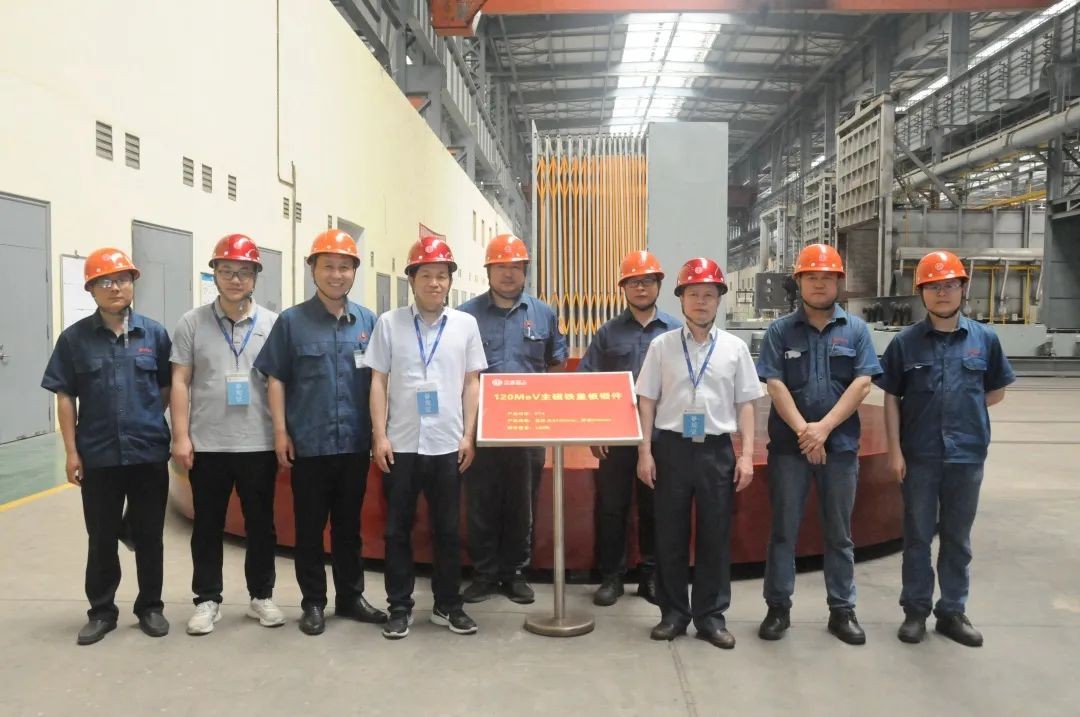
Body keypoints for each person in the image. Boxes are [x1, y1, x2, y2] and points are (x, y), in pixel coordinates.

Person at [875, 250, 1014, 647]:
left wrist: (962, 408)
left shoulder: (985, 340)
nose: (942, 293)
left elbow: (996, 391)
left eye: (949, 285)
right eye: (933, 286)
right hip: (919, 457)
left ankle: (952, 611)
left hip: (966, 456)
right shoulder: (905, 343)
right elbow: (891, 398)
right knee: (917, 537)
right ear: (921, 292)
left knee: (957, 538)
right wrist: (895, 451)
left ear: (962, 289)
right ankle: (916, 610)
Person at [254, 229, 387, 635]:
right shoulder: (292, 322)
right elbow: (276, 378)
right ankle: (313, 602)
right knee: (309, 529)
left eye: (345, 267)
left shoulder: (368, 322)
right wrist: (281, 432)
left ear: (354, 272)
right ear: (313, 269)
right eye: (328, 266)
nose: (336, 274)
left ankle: (350, 597)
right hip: (309, 445)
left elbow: (380, 382)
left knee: (349, 528)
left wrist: (379, 433)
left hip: (353, 445)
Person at [41, 248, 172, 645]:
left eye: (123, 279)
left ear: (133, 284)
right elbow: (65, 396)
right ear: (91, 289)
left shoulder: (155, 334)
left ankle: (150, 607)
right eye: (105, 282)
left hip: (148, 452)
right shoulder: (74, 339)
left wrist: (147, 418)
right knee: (100, 537)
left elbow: (166, 386)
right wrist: (71, 451)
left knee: (149, 535)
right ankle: (101, 611)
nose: (115, 287)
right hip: (98, 454)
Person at [754, 243, 881, 645]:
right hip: (789, 450)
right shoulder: (780, 331)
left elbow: (863, 383)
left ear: (839, 282)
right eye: (812, 277)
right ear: (799, 282)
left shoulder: (856, 330)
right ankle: (778, 608)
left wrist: (823, 429)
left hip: (839, 448)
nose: (820, 284)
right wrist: (805, 433)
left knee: (840, 533)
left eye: (828, 277)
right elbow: (775, 385)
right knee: (783, 531)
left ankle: (842, 610)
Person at [635, 257, 763, 650]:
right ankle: (673, 614)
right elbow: (646, 400)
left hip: (716, 452)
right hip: (671, 449)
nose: (701, 302)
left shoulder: (735, 349)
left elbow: (746, 403)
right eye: (694, 294)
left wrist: (746, 455)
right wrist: (645, 451)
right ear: (681, 299)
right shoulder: (661, 346)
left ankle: (710, 617)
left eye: (709, 294)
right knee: (669, 535)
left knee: (714, 536)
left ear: (719, 299)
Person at [366, 236, 487, 639]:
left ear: (450, 281)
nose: (434, 283)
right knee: (397, 530)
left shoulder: (465, 325)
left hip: (448, 445)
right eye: (426, 275)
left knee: (448, 530)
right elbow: (379, 381)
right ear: (412, 280)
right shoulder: (389, 323)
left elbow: (472, 383)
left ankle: (447, 605)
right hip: (400, 445)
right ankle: (399, 607)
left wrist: (468, 435)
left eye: (441, 275)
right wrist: (379, 435)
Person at [170, 234, 284, 635]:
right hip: (209, 444)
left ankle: (261, 596)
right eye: (227, 270)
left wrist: (281, 434)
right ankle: (207, 599)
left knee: (261, 524)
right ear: (214, 274)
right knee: (207, 525)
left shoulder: (272, 324)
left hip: (258, 443)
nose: (235, 279)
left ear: (255, 277)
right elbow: (180, 381)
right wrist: (181, 436)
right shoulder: (192, 322)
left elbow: (279, 382)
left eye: (244, 272)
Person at [458, 234, 568, 605]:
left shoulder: (543, 314)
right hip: (480, 427)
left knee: (523, 502)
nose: (508, 274)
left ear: (525, 271)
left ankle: (516, 572)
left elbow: (555, 363)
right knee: (481, 501)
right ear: (488, 270)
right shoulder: (466, 316)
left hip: (528, 427)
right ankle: (485, 573)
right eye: (501, 267)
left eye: (516, 267)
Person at [577, 250, 679, 606]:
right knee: (612, 507)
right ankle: (612, 577)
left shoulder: (675, 331)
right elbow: (588, 381)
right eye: (633, 282)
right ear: (623, 288)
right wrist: (595, 431)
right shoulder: (608, 333)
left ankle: (650, 576)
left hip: (662, 436)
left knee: (655, 508)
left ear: (658, 285)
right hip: (617, 435)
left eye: (647, 281)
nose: (641, 287)